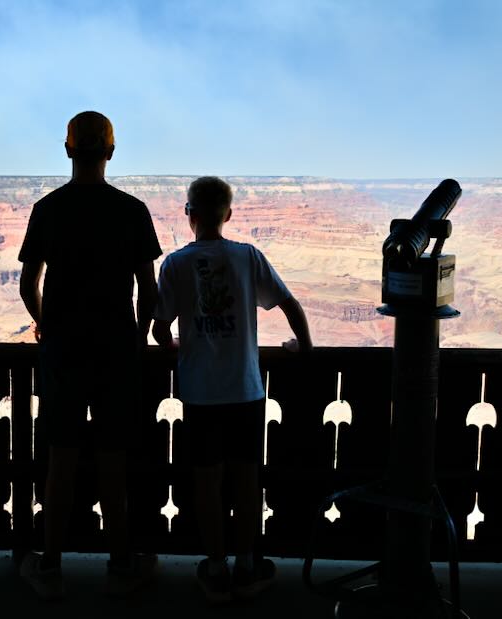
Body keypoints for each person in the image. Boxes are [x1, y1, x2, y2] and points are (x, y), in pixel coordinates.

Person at [17, 111, 162, 600]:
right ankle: (121, 564)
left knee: (60, 459)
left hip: (63, 350)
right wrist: (139, 335)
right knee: (113, 460)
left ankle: (50, 565)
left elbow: (26, 283)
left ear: (68, 149)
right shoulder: (132, 210)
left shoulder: (47, 209)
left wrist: (45, 324)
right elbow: (149, 288)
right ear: (112, 151)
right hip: (117, 350)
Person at [152, 176, 312, 604]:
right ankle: (247, 563)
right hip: (245, 391)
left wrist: (177, 344)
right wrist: (304, 347)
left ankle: (217, 567)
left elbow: (157, 328)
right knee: (245, 479)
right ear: (228, 214)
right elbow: (289, 303)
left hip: (199, 393)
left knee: (206, 483)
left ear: (189, 215)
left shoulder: (175, 264)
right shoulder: (247, 257)